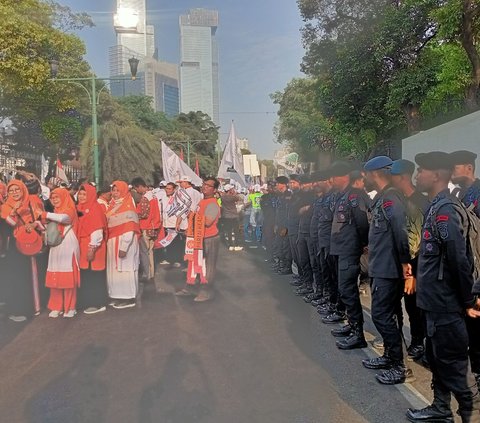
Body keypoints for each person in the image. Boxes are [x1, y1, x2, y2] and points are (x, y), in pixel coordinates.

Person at [406, 151, 480, 423]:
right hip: (435, 302)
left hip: (446, 304)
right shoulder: (436, 206)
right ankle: (440, 408)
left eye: (420, 171)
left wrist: (468, 301)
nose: (416, 177)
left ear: (436, 175)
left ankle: (470, 416)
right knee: (439, 360)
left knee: (456, 368)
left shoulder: (445, 210)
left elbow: (459, 261)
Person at [362, 156, 412, 384]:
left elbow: (401, 233)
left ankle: (400, 366)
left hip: (389, 269)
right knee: (389, 315)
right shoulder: (383, 199)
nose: (364, 179)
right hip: (381, 267)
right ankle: (390, 358)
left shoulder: (391, 200)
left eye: (366, 175)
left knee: (382, 315)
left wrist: (404, 264)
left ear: (375, 174)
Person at [327, 161, 370, 350]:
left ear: (343, 177)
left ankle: (358, 333)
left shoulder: (355, 196)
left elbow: (362, 223)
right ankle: (352, 327)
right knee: (345, 290)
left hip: (350, 250)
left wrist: (363, 244)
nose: (331, 180)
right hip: (341, 249)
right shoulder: (342, 196)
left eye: (334, 177)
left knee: (348, 291)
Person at [390, 159, 429, 361]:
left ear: (403, 177)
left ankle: (418, 342)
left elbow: (415, 243)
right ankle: (406, 341)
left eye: (393, 176)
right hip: (402, 262)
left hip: (416, 264)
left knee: (415, 306)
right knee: (404, 304)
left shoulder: (417, 203)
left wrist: (410, 273)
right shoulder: (400, 200)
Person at [450, 150, 480, 386]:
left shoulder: (478, 192)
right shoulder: (459, 194)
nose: (452, 171)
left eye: (456, 166)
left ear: (468, 168)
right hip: (466, 268)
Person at [0, 179, 44, 321]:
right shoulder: (6, 206)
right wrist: (15, 210)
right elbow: (9, 224)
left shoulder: (31, 202)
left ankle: (35, 306)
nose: (14, 193)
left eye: (17, 190)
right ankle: (19, 309)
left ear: (23, 190)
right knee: (18, 276)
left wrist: (33, 224)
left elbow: (41, 221)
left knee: (33, 274)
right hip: (15, 244)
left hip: (31, 242)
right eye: (11, 191)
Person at [176, 177, 221, 302]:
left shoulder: (212, 203)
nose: (204, 187)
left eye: (208, 185)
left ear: (215, 189)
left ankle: (206, 291)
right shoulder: (202, 202)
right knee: (195, 263)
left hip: (209, 239)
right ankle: (191, 287)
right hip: (198, 238)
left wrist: (193, 216)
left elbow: (207, 221)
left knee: (208, 266)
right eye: (204, 184)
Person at [42, 187, 80, 318]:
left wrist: (45, 215)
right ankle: (56, 306)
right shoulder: (55, 212)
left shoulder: (70, 210)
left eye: (57, 197)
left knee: (68, 278)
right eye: (52, 198)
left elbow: (64, 219)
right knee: (55, 276)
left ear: (64, 197)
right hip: (56, 246)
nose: (54, 200)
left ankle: (70, 306)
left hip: (68, 246)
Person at [105, 181, 140, 309]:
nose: (114, 193)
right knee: (114, 270)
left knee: (125, 270)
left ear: (124, 191)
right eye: (113, 190)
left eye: (117, 191)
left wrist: (124, 247)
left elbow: (130, 229)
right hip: (113, 242)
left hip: (125, 243)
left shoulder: (128, 206)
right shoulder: (112, 205)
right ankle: (117, 296)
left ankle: (129, 298)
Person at [76, 183, 108, 314]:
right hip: (83, 246)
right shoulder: (79, 208)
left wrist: (91, 249)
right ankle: (87, 301)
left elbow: (97, 232)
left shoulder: (95, 208)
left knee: (94, 275)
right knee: (86, 275)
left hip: (93, 247)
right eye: (80, 193)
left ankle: (97, 303)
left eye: (84, 194)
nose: (81, 196)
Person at [131, 177, 161, 281]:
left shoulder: (145, 198)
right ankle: (151, 273)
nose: (136, 191)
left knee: (144, 252)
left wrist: (133, 215)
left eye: (136, 188)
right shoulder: (153, 195)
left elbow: (143, 214)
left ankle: (147, 274)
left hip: (145, 226)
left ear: (139, 186)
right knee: (150, 252)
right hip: (154, 226)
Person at [272, 176, 292, 275]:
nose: (276, 185)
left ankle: (287, 266)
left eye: (277, 183)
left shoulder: (288, 195)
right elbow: (278, 211)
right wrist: (276, 224)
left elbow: (288, 212)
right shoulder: (280, 196)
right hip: (279, 224)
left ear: (283, 184)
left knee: (285, 247)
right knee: (279, 245)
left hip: (285, 225)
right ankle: (281, 263)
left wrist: (285, 227)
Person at [220, 184, 243, 251]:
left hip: (226, 216)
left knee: (229, 231)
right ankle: (236, 245)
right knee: (236, 231)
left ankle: (230, 245)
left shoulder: (222, 197)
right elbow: (239, 198)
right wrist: (234, 193)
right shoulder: (232, 197)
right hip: (234, 216)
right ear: (229, 190)